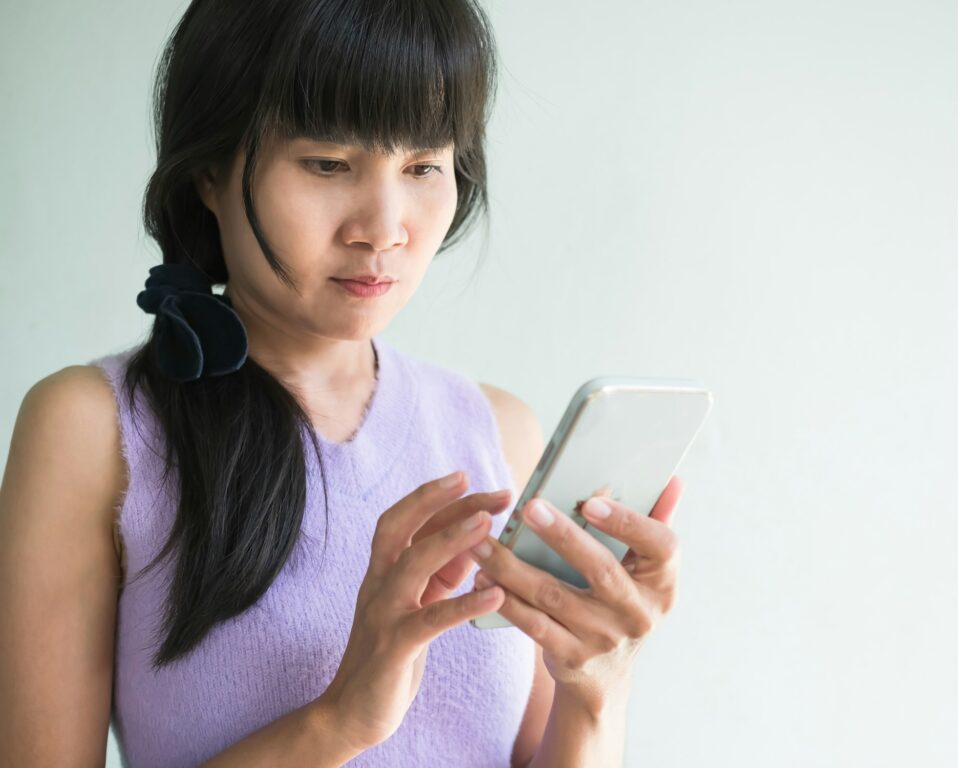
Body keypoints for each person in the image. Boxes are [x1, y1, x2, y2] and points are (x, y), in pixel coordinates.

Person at [0, 1, 685, 766]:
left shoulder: (497, 433)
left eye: (424, 166)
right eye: (328, 164)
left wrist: (598, 682)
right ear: (207, 171)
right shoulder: (93, 430)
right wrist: (340, 722)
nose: (384, 226)